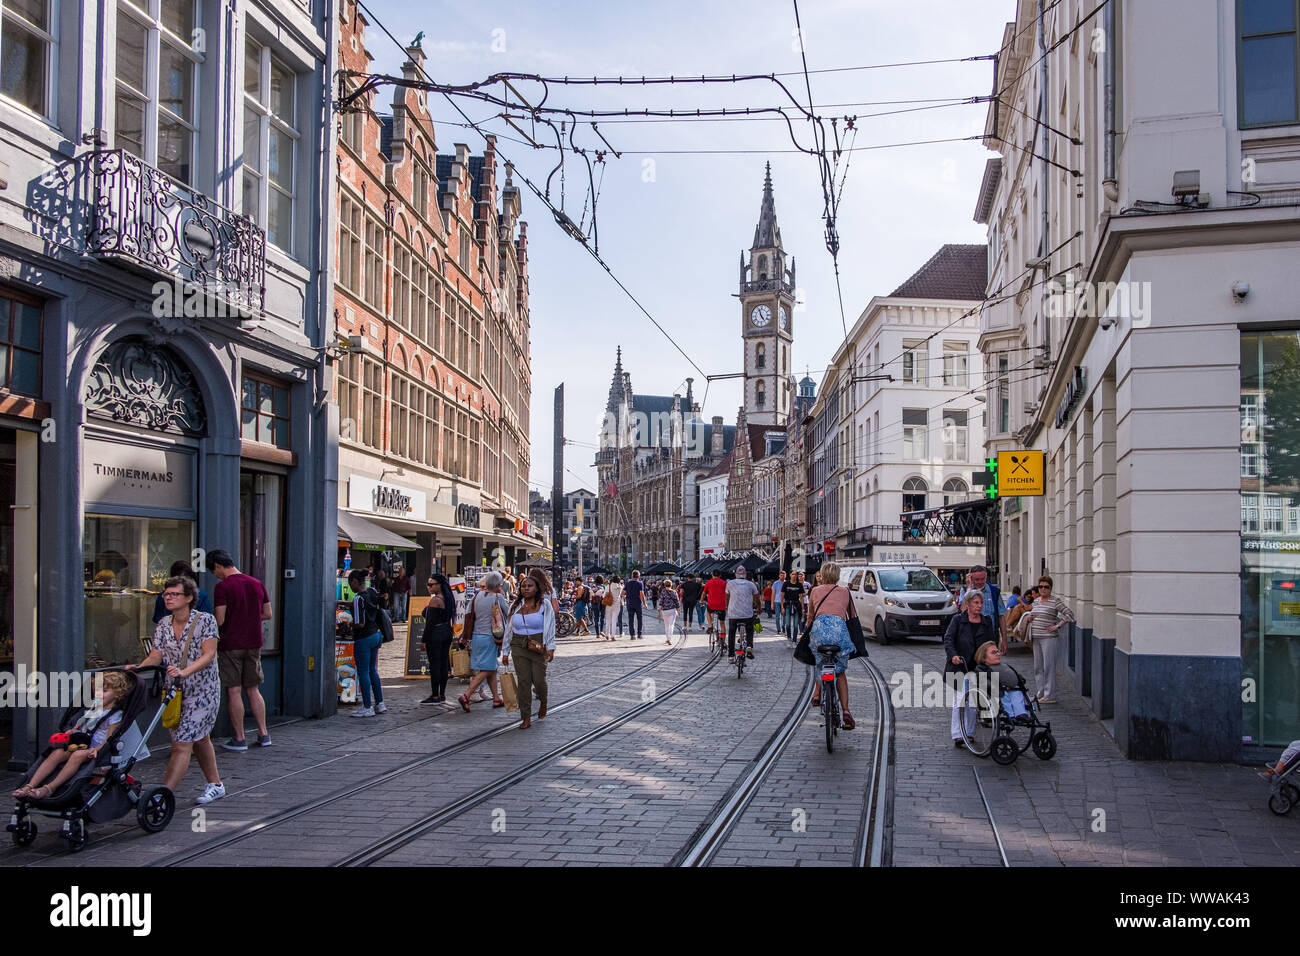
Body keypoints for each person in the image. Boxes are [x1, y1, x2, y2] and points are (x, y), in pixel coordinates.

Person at [134, 576, 225, 803]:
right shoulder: (164, 623)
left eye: (174, 594)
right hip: (175, 691)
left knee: (182, 743)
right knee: (200, 738)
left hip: (203, 690)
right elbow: (156, 654)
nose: (168, 598)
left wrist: (186, 671)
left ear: (189, 598)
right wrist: (137, 669)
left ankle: (163, 795)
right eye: (166, 594)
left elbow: (209, 653)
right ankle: (216, 784)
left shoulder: (205, 621)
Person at [13, 671, 129, 799]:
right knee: (57, 753)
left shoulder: (116, 715)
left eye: (104, 691)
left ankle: (49, 788)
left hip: (97, 749)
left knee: (77, 755)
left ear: (117, 694)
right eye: (96, 691)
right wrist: (73, 731)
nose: (98, 694)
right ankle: (30, 785)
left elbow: (110, 738)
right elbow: (85, 725)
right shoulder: (95, 707)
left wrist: (97, 749)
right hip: (82, 743)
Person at [206, 550, 272, 750]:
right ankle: (263, 734)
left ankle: (240, 737)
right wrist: (250, 618)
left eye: (213, 570)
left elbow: (220, 620)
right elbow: (267, 613)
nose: (215, 574)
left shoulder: (222, 587)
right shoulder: (256, 583)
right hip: (254, 643)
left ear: (218, 566)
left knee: (234, 690)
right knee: (253, 689)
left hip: (231, 644)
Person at [804, 562, 859, 730]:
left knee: (819, 661)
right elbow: (852, 616)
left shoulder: (814, 591)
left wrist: (807, 633)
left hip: (819, 631)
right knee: (840, 672)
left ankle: (817, 693)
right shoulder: (844, 592)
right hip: (839, 632)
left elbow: (811, 616)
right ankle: (846, 711)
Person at [500, 569, 557, 729]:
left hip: (538, 644)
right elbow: (509, 629)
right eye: (523, 586)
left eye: (530, 586)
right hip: (518, 644)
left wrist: (550, 647)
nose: (526, 589)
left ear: (537, 588)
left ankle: (543, 700)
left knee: (539, 680)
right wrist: (505, 652)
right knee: (523, 681)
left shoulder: (544, 605)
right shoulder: (516, 605)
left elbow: (550, 626)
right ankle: (525, 716)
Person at [944, 591, 997, 748]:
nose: (979, 606)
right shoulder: (958, 620)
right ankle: (957, 734)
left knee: (973, 704)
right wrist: (953, 655)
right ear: (967, 604)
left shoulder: (986, 622)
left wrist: (991, 657)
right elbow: (948, 639)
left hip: (978, 668)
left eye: (981, 603)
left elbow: (991, 642)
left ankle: (969, 732)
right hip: (960, 666)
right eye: (976, 603)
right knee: (960, 701)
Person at [459, 571, 510, 711]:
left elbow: (469, 616)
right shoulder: (498, 597)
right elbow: (508, 613)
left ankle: (496, 698)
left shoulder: (477, 596)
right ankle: (467, 695)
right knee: (487, 669)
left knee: (491, 667)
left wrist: (464, 635)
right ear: (498, 584)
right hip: (491, 637)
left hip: (476, 636)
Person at [1023, 575, 1074, 703]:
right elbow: (1032, 614)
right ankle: (1040, 692)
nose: (1043, 589)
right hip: (1036, 637)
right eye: (1040, 586)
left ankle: (1050, 694)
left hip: (1049, 638)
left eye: (1046, 587)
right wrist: (1029, 618)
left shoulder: (1055, 601)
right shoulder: (1035, 601)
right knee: (1037, 667)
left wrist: (1057, 625)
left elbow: (1069, 614)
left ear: (1050, 588)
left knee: (1048, 666)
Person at [346, 568, 386, 718]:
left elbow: (359, 623)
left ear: (355, 582)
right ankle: (380, 703)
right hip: (376, 634)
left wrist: (350, 625)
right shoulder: (372, 592)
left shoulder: (358, 599)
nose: (351, 587)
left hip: (363, 638)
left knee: (363, 671)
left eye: (351, 584)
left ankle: (367, 706)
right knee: (372, 670)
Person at [421, 573, 456, 703]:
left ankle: (435, 695)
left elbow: (429, 623)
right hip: (447, 631)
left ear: (439, 585)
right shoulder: (449, 598)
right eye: (428, 584)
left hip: (436, 634)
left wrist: (424, 640)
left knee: (435, 665)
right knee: (443, 663)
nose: (428, 587)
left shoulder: (435, 600)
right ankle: (442, 694)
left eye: (431, 584)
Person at [957, 565, 1006, 651]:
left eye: (983, 579)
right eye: (977, 579)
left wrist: (1004, 640)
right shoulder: (965, 590)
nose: (980, 582)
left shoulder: (994, 591)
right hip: (970, 637)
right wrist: (969, 588)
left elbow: (1001, 616)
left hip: (990, 636)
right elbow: (963, 610)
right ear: (971, 578)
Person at [725, 566, 761, 660]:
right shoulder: (751, 584)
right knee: (749, 629)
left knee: (732, 633)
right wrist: (759, 608)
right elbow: (757, 599)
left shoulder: (730, 583)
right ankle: (749, 646)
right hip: (747, 614)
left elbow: (727, 598)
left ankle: (731, 656)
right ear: (745, 574)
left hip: (733, 614)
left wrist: (727, 607)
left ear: (735, 574)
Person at [703, 569, 728, 641]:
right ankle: (723, 641)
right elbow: (727, 594)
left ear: (712, 575)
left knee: (708, 612)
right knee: (722, 623)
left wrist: (701, 601)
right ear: (720, 575)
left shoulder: (709, 582)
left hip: (712, 605)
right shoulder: (724, 583)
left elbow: (704, 593)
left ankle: (710, 626)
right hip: (722, 605)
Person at [657, 578, 680, 645]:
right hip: (672, 610)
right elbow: (677, 602)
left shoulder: (663, 592)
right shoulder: (674, 592)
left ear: (665, 585)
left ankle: (667, 638)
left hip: (665, 611)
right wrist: (679, 610)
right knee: (671, 625)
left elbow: (661, 601)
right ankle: (669, 638)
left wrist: (659, 607)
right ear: (671, 585)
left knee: (666, 625)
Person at [783, 570, 805, 640]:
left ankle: (794, 640)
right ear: (790, 575)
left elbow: (801, 597)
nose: (794, 576)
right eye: (793, 574)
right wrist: (782, 607)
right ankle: (789, 638)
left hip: (796, 605)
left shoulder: (799, 585)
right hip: (787, 605)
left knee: (796, 625)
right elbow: (782, 596)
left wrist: (803, 609)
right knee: (788, 624)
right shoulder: (786, 584)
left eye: (795, 574)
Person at [624, 570, 645, 639]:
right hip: (638, 603)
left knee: (631, 619)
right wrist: (644, 603)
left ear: (632, 576)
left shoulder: (627, 583)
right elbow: (642, 594)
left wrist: (627, 595)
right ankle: (639, 634)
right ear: (638, 576)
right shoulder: (640, 583)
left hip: (629, 603)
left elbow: (623, 593)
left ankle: (632, 635)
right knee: (639, 619)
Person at [607, 575, 624, 641]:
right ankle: (613, 636)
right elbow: (622, 592)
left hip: (609, 603)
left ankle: (608, 634)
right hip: (617, 604)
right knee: (614, 620)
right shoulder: (620, 587)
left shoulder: (610, 586)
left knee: (609, 620)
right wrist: (620, 584)